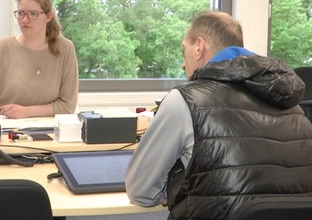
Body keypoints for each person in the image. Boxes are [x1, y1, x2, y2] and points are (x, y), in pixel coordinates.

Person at [125, 11, 312, 219]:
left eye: (183, 51)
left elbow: (140, 192)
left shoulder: (186, 100)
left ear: (199, 47)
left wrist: (176, 185)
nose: (183, 64)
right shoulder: (294, 107)